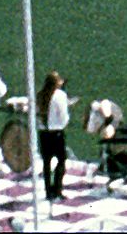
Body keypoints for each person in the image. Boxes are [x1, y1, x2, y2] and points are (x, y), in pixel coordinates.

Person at [37, 72, 72, 201]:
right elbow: (63, 117)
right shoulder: (60, 95)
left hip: (43, 133)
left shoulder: (40, 95)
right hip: (56, 132)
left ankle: (48, 190)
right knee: (61, 160)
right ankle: (57, 189)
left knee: (46, 162)